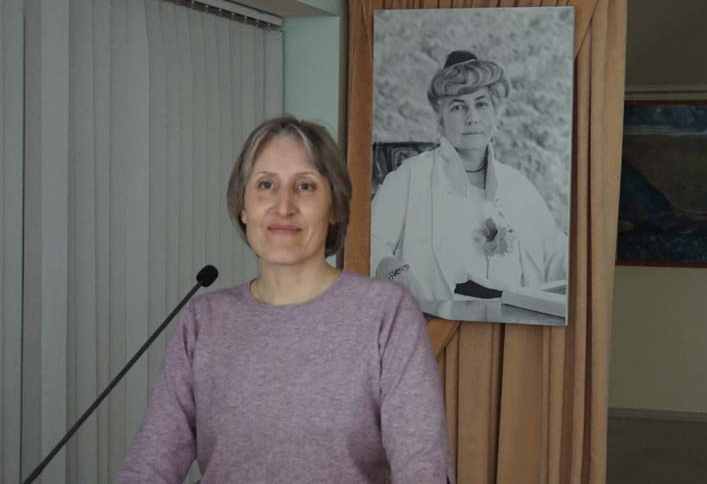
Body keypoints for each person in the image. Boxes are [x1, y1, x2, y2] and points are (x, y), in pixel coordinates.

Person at [117, 116, 454, 483]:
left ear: (334, 208)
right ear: (243, 207)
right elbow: (150, 465)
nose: (283, 206)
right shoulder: (204, 320)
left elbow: (424, 468)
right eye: (266, 185)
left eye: (305, 186)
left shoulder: (386, 313)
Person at [371, 50, 568, 301]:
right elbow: (369, 241)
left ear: (496, 112)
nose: (472, 118)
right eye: (458, 107)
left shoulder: (519, 186)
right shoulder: (410, 177)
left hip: (512, 320)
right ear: (440, 119)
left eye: (481, 104)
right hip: (431, 319)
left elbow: (557, 254)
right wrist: (391, 269)